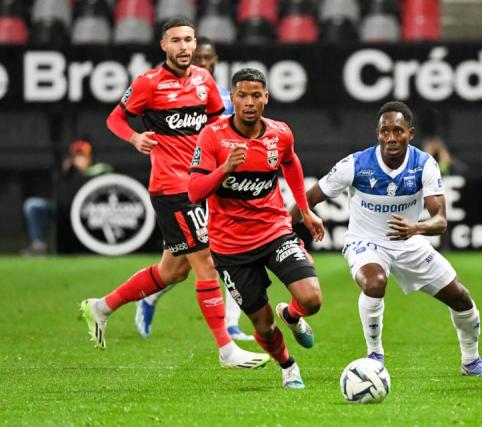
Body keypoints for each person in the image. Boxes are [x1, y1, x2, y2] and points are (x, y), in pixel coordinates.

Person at [79, 17, 269, 369]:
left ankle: (101, 307)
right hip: (172, 187)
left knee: (173, 272)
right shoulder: (148, 83)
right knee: (207, 263)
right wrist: (135, 137)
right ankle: (227, 348)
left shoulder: (205, 81)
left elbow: (216, 125)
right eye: (176, 41)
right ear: (163, 46)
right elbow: (115, 120)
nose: (184, 47)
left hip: (202, 184)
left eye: (189, 40)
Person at [292, 101, 482, 377]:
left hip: (409, 243)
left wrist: (415, 229)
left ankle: (471, 362)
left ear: (410, 133)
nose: (391, 138)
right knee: (375, 282)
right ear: (377, 134)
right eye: (384, 131)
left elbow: (440, 221)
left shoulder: (425, 164)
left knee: (461, 299)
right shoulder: (355, 164)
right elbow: (309, 198)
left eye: (398, 131)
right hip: (365, 242)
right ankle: (375, 355)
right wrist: (286, 230)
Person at [188, 68, 325, 388]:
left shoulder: (280, 133)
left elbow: (290, 162)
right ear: (232, 98)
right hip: (230, 246)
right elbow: (194, 191)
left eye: (256, 95)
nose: (249, 102)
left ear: (266, 98)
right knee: (263, 326)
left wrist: (304, 211)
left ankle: (291, 315)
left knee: (312, 299)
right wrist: (225, 168)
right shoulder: (212, 136)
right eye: (242, 95)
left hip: (274, 231)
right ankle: (288, 366)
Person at [134, 36, 251, 342]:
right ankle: (148, 297)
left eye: (207, 58)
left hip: (218, 182)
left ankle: (232, 323)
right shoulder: (168, 90)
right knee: (183, 262)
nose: (202, 63)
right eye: (198, 58)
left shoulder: (225, 95)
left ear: (215, 61)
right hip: (183, 185)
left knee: (222, 250)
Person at [21, 139, 111, 256]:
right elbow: (58, 192)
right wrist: (66, 173)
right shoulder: (67, 172)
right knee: (32, 205)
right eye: (76, 156)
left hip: (90, 214)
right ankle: (38, 245)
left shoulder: (100, 171)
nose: (79, 159)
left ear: (89, 157)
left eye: (82, 156)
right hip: (64, 210)